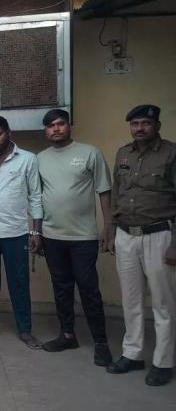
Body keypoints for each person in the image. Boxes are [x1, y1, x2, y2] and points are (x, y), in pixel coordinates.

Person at [105, 104, 175, 386]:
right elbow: (117, 193)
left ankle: (163, 361)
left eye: (145, 123)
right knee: (131, 300)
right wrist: (111, 231)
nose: (140, 129)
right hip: (126, 235)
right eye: (135, 124)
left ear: (157, 126)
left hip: (159, 235)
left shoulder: (171, 153)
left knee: (162, 303)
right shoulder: (123, 153)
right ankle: (132, 354)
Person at [37, 108, 113, 367]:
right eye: (50, 126)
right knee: (61, 287)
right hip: (52, 235)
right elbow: (37, 197)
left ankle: (101, 342)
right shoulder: (40, 159)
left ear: (70, 125)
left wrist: (108, 226)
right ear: (46, 131)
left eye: (60, 124)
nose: (56, 129)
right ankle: (67, 335)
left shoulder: (90, 153)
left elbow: (104, 191)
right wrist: (36, 231)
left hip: (83, 236)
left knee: (88, 288)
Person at [0, 116, 42, 349]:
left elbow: (35, 196)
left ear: (8, 133)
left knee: (19, 282)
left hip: (16, 232)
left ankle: (25, 329)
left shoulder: (27, 159)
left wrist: (36, 232)